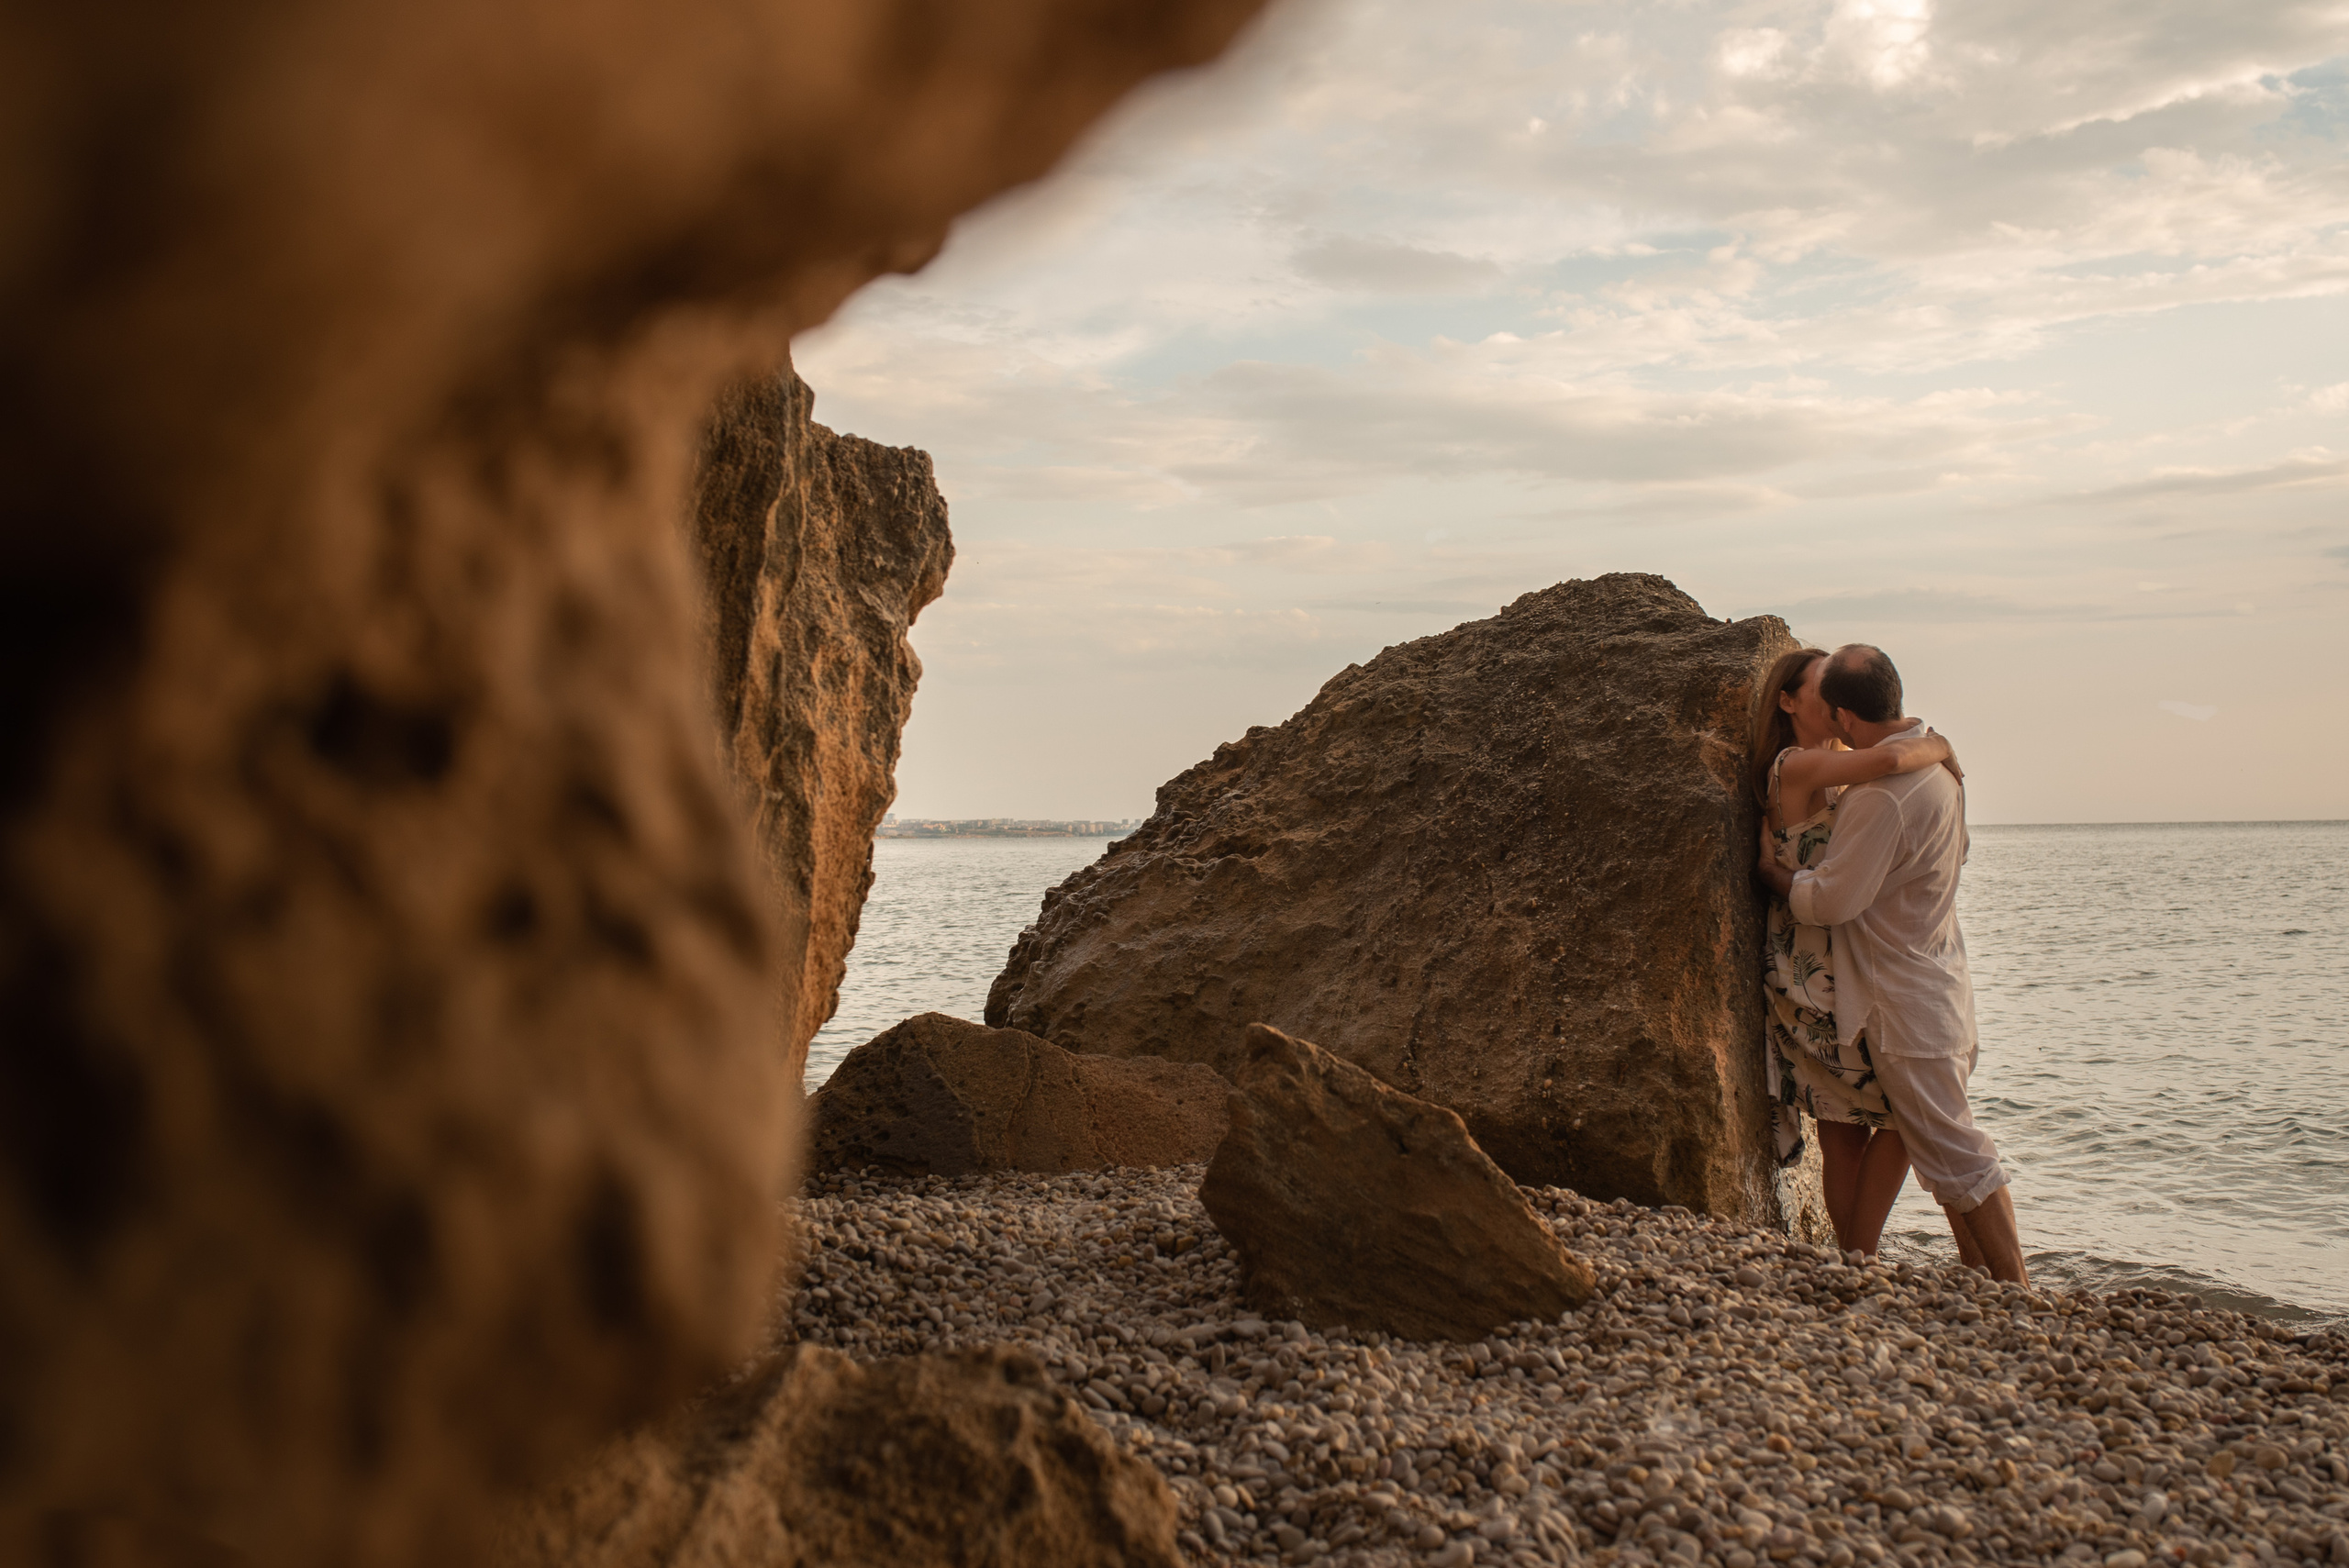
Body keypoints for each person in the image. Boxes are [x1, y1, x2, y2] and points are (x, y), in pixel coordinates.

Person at [1757, 644, 2028, 1284]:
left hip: (1892, 986)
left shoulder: (1879, 793)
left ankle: (2006, 1285)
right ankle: (1943, 1274)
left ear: (1847, 715)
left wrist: (1770, 871)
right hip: (1914, 978)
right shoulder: (1930, 774)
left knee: (1941, 1143)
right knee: (1903, 1133)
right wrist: (1935, 743)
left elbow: (1831, 898)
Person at [1748, 647, 1959, 1258]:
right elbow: (1897, 755)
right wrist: (1942, 746)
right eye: (1820, 691)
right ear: (1789, 701)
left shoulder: (1840, 765)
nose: (1836, 705)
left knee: (1880, 1118)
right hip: (1815, 967)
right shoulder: (1797, 765)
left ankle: (1855, 1254)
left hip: (1847, 957)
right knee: (1871, 1121)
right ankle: (1860, 1254)